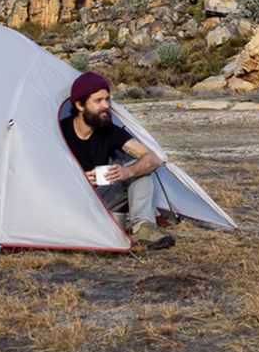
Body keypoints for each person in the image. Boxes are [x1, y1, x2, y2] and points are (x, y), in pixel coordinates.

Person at [60, 71, 176, 250]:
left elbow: (153, 158)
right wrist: (78, 178)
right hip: (67, 202)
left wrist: (127, 172)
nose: (106, 105)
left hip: (100, 198)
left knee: (141, 170)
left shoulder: (108, 130)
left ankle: (143, 229)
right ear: (80, 105)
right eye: (98, 101)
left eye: (107, 99)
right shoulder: (60, 131)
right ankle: (110, 223)